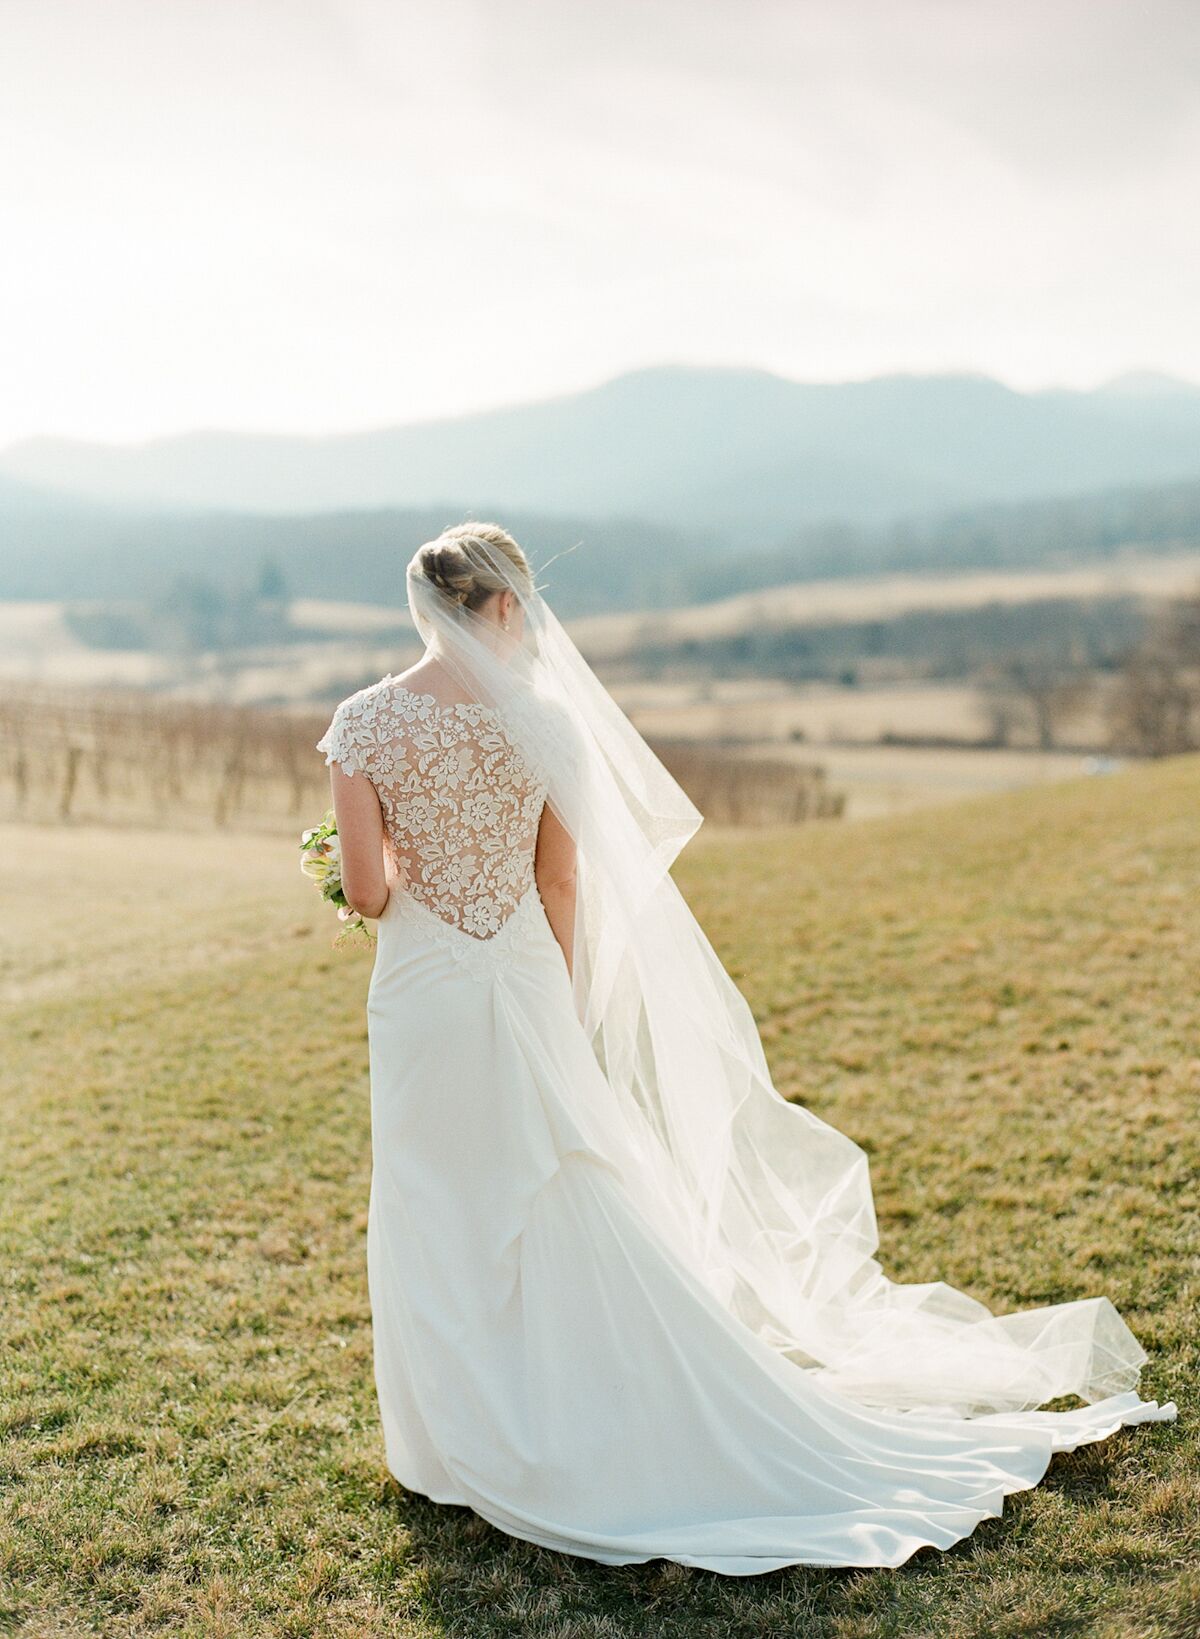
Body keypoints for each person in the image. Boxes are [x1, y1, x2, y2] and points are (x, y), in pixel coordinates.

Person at [316, 521, 1175, 1575]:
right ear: (501, 605)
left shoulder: (362, 725)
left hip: (423, 999)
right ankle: (590, 1404)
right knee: (560, 1192)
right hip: (525, 983)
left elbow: (365, 890)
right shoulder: (544, 726)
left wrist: (399, 867)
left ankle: (451, 1443)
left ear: (424, 608)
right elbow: (560, 885)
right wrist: (567, 1000)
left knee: (433, 1192)